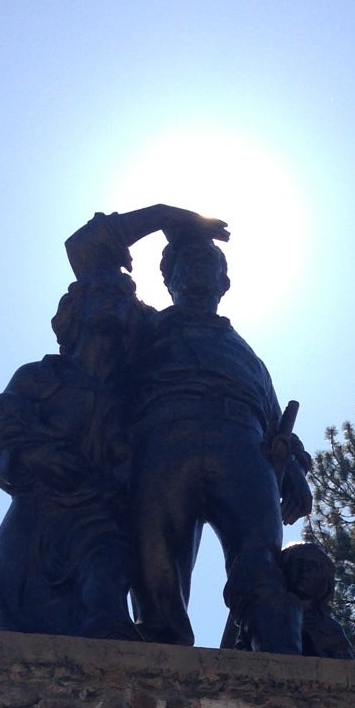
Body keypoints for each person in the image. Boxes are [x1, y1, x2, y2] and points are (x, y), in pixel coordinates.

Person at [122, 230, 313, 653]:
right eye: (184, 262)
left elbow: (276, 422)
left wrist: (295, 471)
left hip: (243, 448)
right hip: (164, 441)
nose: (197, 268)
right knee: (155, 566)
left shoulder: (248, 357)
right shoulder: (143, 326)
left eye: (208, 262)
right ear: (167, 281)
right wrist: (166, 218)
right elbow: (89, 258)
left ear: (225, 283)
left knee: (261, 564)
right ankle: (156, 667)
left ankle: (281, 665)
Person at [0, 272, 140, 641]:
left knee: (105, 615)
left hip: (102, 525)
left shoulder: (135, 396)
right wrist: (34, 457)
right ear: (76, 310)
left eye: (122, 297)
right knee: (12, 624)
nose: (112, 300)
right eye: (101, 291)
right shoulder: (41, 377)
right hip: (37, 521)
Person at [220, 541, 355, 658]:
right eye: (297, 563)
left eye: (313, 566)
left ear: (324, 580)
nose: (304, 571)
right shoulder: (263, 614)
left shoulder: (330, 628)